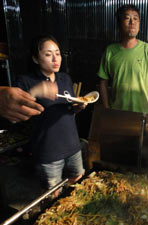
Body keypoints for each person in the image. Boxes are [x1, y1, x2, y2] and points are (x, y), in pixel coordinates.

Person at [16, 34, 86, 191]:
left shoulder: (65, 78)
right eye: (48, 54)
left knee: (77, 181)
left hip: (72, 146)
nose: (55, 59)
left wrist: (78, 106)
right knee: (52, 195)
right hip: (48, 151)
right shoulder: (26, 81)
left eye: (58, 53)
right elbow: (17, 115)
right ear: (35, 58)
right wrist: (35, 91)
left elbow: (69, 109)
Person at [97, 4, 148, 114]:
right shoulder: (110, 51)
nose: (132, 22)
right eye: (127, 18)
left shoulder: (147, 50)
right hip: (117, 113)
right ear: (119, 24)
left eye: (135, 18)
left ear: (139, 24)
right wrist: (107, 108)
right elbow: (103, 83)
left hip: (144, 113)